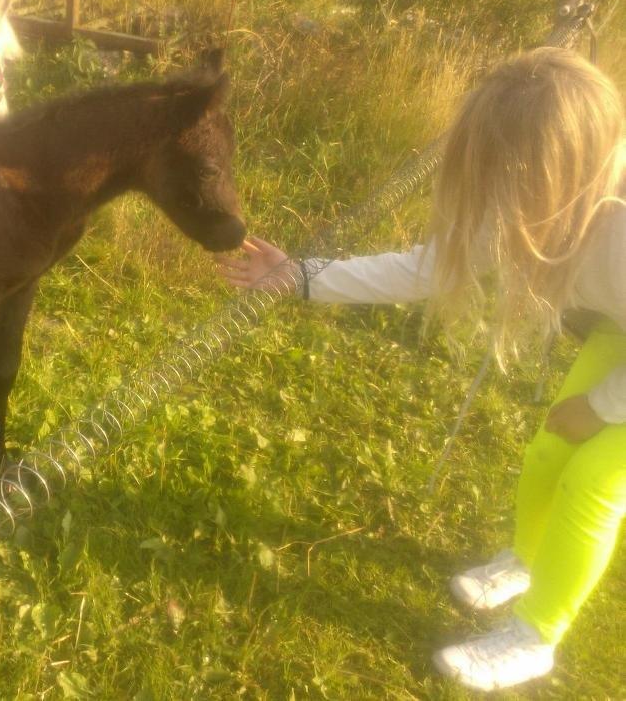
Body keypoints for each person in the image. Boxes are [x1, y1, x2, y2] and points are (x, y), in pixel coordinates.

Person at [217, 46, 626, 692]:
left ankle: (537, 634)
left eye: (509, 173)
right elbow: (426, 268)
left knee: (595, 480)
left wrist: (602, 407)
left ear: (562, 168)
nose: (496, 190)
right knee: (552, 446)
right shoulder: (537, 195)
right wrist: (299, 276)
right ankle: (525, 560)